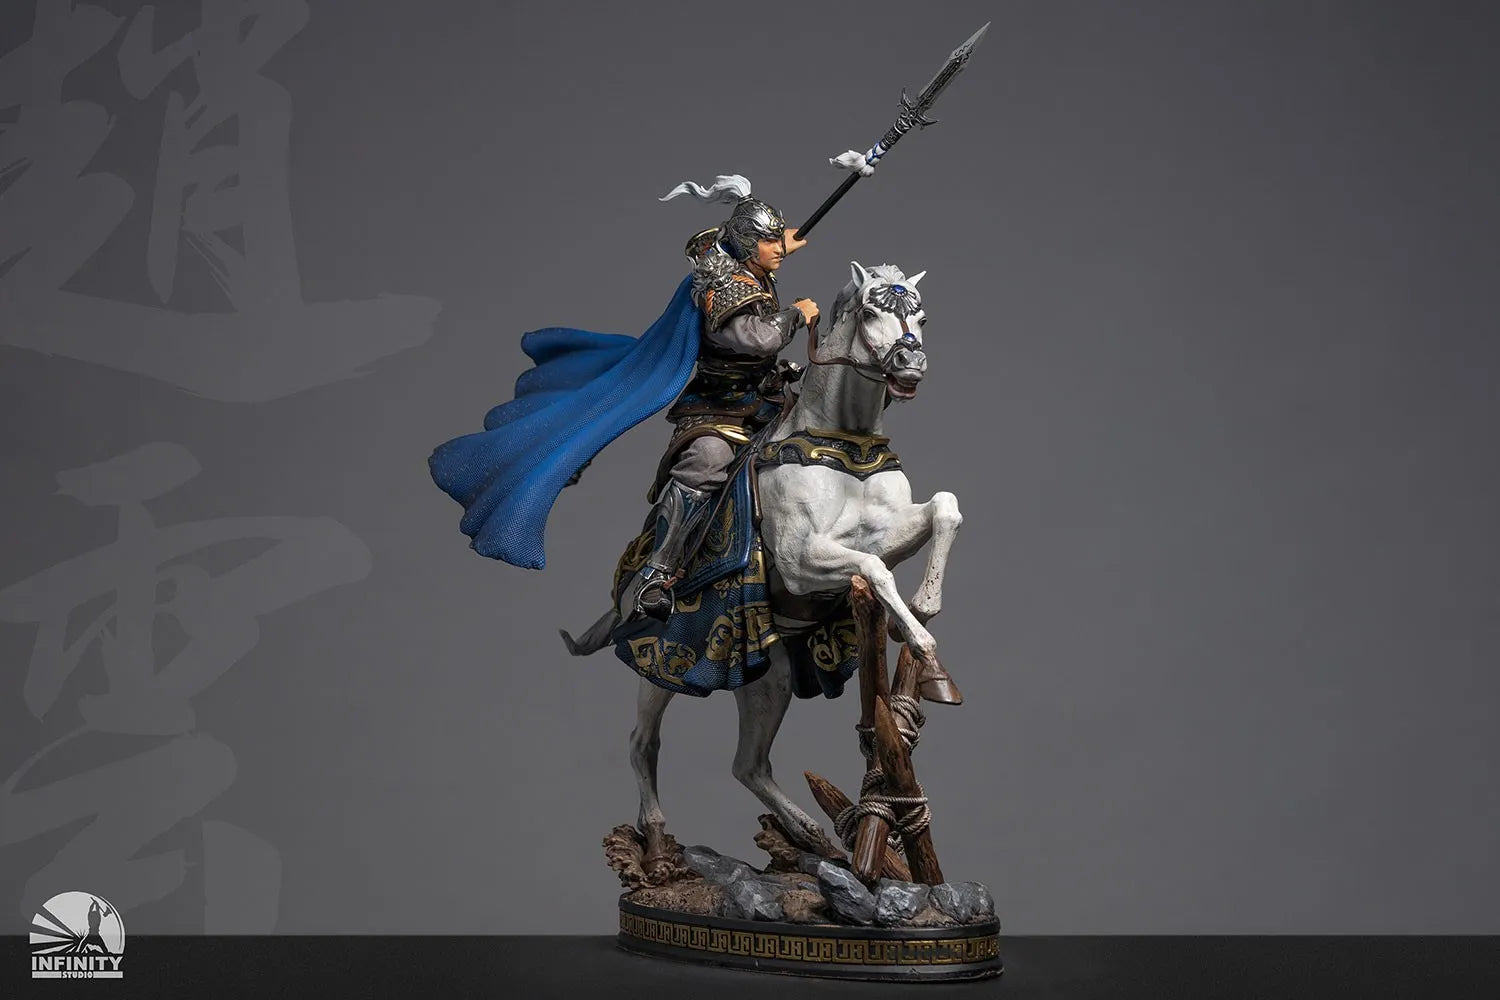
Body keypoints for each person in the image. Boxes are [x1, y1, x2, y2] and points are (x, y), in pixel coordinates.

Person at [625, 176, 819, 622]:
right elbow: (759, 338)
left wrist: (779, 245)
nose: (779, 249)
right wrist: (797, 313)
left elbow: (758, 254)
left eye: (779, 239)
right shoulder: (722, 289)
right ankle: (657, 574)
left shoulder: (753, 267)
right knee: (708, 460)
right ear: (747, 247)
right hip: (719, 405)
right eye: (768, 242)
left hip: (767, 396)